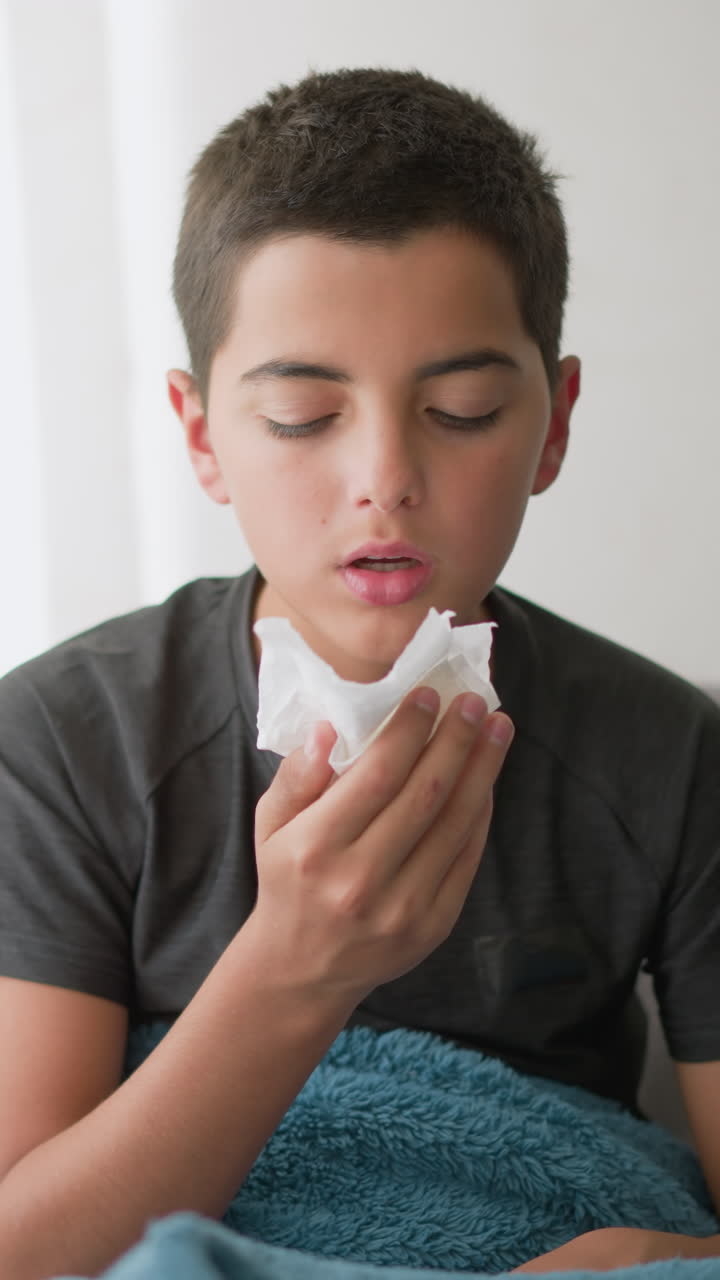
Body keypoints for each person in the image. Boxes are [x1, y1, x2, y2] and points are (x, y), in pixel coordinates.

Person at [0, 66, 719, 1280]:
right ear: (200, 434)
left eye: (464, 406)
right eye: (299, 416)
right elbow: (26, 1248)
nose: (382, 475)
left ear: (554, 424)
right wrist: (295, 963)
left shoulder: (668, 753)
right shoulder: (69, 739)